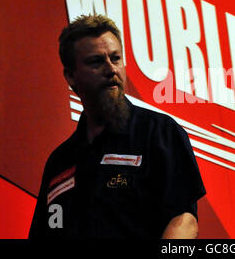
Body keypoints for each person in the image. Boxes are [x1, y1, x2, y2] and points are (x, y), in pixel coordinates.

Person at [29, 14, 206, 238]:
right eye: (96, 61)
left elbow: (184, 221)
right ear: (71, 76)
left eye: (116, 58)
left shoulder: (159, 132)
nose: (111, 69)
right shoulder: (59, 163)